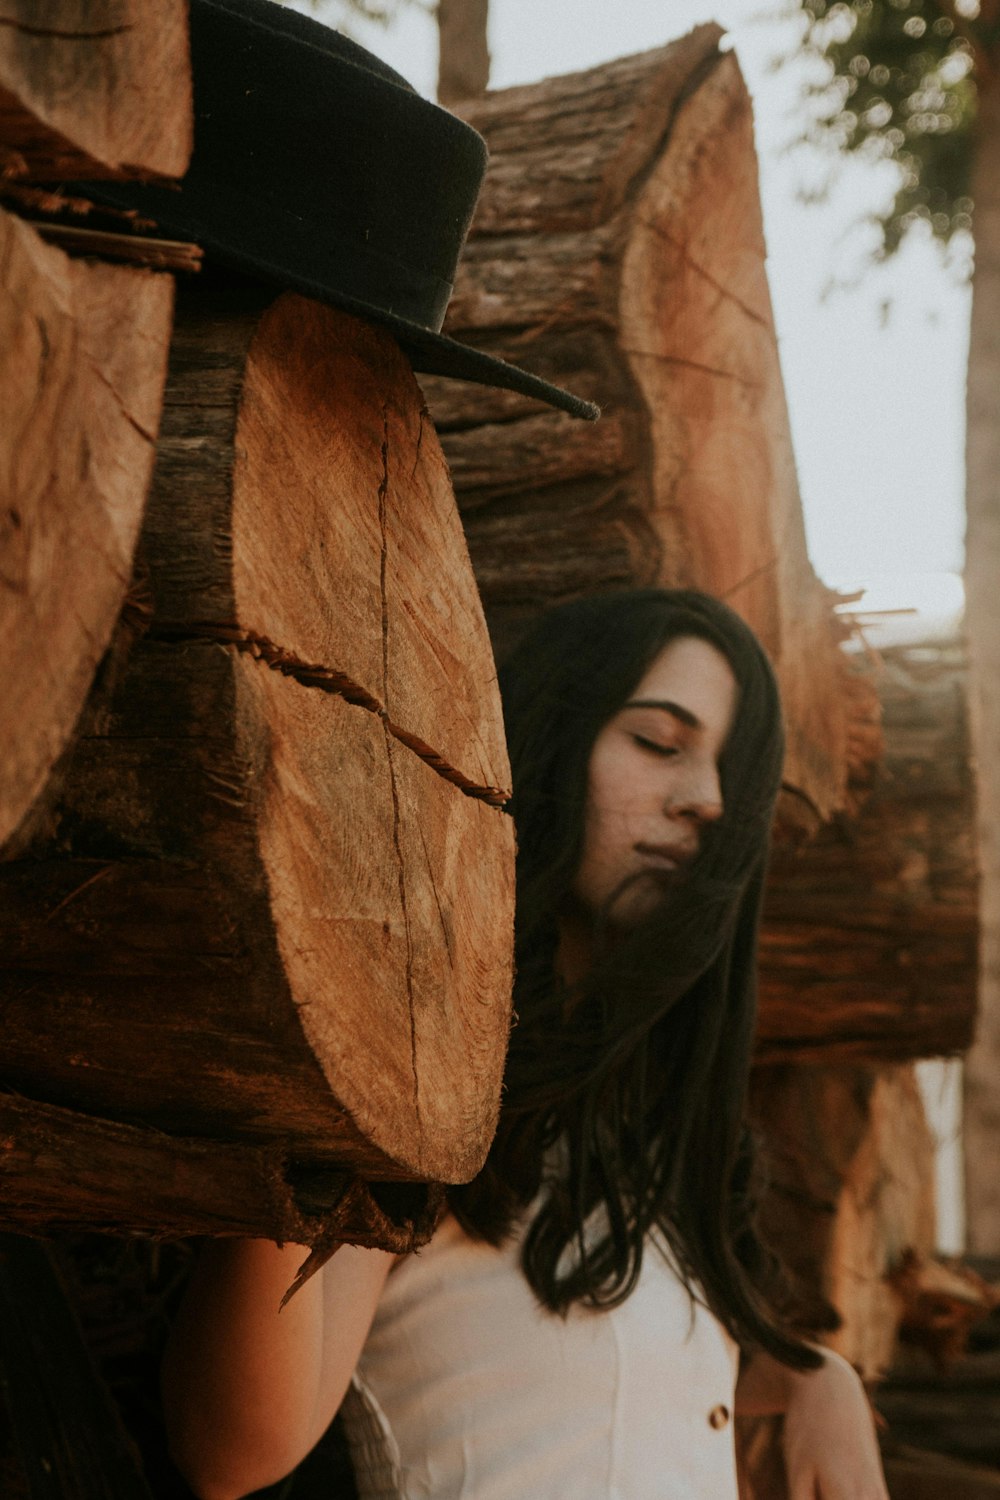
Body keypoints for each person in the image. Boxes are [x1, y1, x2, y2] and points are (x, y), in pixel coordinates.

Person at [162, 589, 889, 1500]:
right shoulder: (430, 1088)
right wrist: (320, 1070)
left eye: (728, 778)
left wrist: (814, 1374)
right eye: (659, 743)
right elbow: (232, 1452)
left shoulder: (657, 1143)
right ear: (557, 735)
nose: (703, 799)